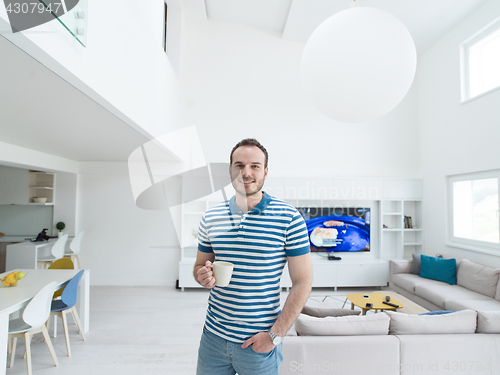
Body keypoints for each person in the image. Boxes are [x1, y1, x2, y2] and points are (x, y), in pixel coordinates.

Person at [194, 138, 312, 375]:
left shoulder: (289, 218)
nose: (245, 172)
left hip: (259, 345)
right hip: (213, 339)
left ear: (265, 172)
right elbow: (199, 266)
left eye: (254, 166)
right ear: (230, 170)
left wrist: (274, 336)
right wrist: (202, 275)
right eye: (239, 165)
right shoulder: (211, 217)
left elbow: (303, 283)